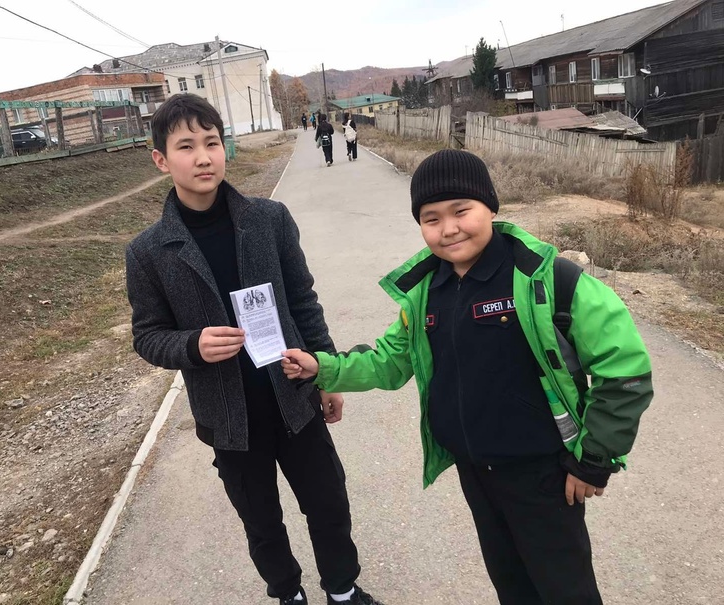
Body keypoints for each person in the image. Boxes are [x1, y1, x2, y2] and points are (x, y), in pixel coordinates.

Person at [282, 149, 653, 604]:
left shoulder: (547, 279)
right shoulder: (425, 292)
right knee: (511, 584)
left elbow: (626, 372)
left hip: (545, 474)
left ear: (490, 207)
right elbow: (389, 360)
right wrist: (324, 368)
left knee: (564, 590)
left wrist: (593, 460)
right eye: (431, 218)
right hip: (476, 471)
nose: (449, 228)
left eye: (462, 211)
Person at [125, 93, 384, 605]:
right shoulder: (148, 252)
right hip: (228, 417)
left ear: (225, 148)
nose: (203, 157)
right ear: (161, 160)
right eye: (186, 146)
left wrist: (327, 372)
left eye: (212, 142)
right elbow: (148, 335)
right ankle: (288, 594)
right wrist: (192, 345)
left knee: (329, 504)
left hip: (294, 397)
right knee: (262, 523)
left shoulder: (269, 219)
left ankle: (342, 589)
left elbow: (303, 301)